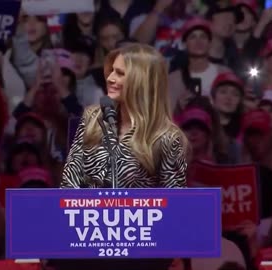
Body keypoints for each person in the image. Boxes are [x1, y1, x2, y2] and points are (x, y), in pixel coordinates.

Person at [55, 44, 189, 270]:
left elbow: (176, 205)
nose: (110, 78)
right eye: (111, 71)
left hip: (143, 255)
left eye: (120, 73)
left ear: (141, 80)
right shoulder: (92, 119)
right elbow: (68, 186)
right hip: (87, 248)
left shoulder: (167, 136)